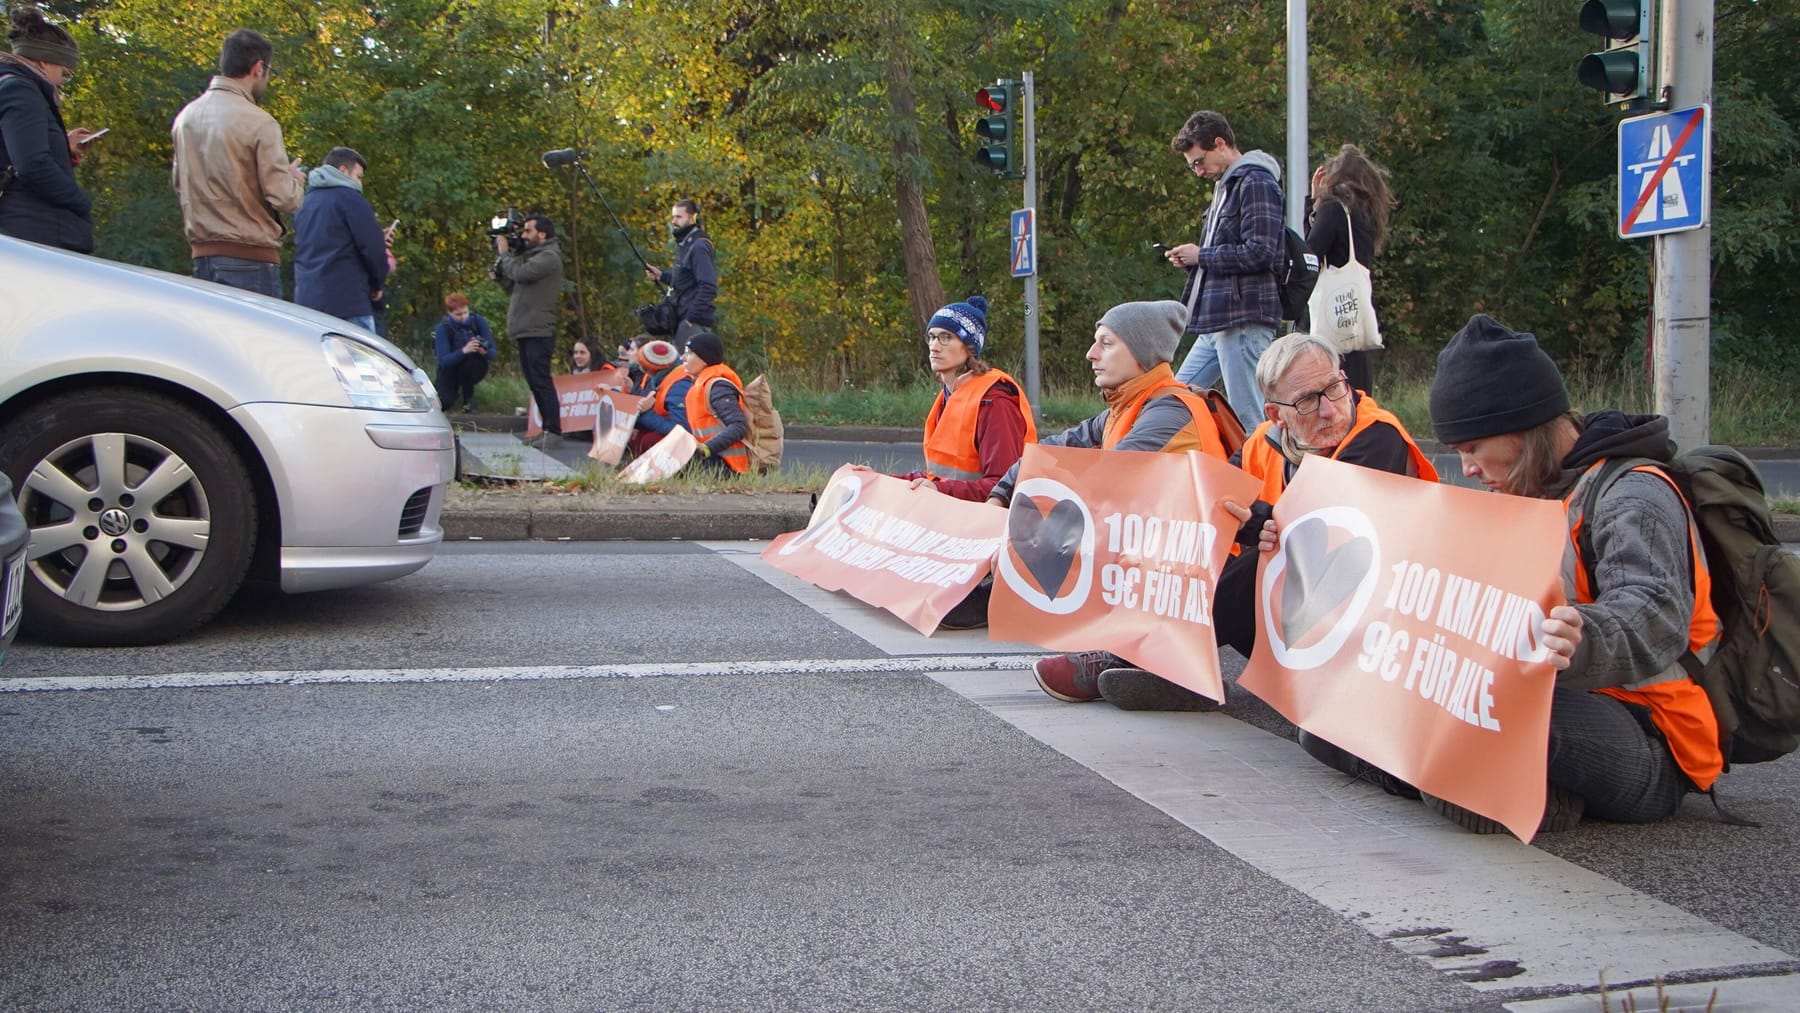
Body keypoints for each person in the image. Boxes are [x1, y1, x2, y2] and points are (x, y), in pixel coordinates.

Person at [984, 301, 1230, 711]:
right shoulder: (1125, 408)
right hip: (1162, 567)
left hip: (1201, 575)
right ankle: (1129, 651)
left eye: (1105, 343)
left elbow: (1102, 481)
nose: (1090, 353)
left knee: (1071, 532)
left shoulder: (1171, 410)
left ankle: (1131, 652)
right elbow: (1051, 451)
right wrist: (1003, 492)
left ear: (1142, 353)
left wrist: (1026, 527)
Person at [1164, 110, 1286, 434]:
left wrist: (1201, 255)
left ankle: (1269, 480)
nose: (1198, 171)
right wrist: (1194, 257)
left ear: (1220, 143)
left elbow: (1261, 251)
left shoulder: (1256, 182)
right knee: (1174, 400)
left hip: (1243, 317)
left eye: (1199, 161)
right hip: (1220, 320)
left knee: (1252, 418)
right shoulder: (1227, 187)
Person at [170, 29, 305, 297]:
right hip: (251, 258)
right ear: (259, 68)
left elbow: (179, 183)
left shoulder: (186, 118)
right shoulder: (259, 122)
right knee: (257, 338)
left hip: (202, 256)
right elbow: (285, 199)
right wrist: (294, 181)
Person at [891, 296, 1037, 503]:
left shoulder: (995, 400)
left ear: (969, 348)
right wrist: (875, 479)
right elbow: (937, 478)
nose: (934, 346)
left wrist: (940, 490)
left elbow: (1004, 486)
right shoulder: (949, 395)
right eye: (931, 337)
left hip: (989, 525)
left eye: (946, 337)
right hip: (959, 519)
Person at [0, 4, 94, 252]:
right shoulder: (21, 90)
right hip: (34, 230)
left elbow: (18, 147)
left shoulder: (14, 87)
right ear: (43, 62)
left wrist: (64, 145)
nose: (63, 85)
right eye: (65, 74)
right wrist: (79, 200)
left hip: (27, 227)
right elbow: (31, 163)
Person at [1305, 144, 1395, 395]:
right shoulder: (1368, 214)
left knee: (1333, 394)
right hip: (1355, 315)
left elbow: (1310, 255)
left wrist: (1313, 203)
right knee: (1358, 396)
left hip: (1332, 321)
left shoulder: (1333, 209)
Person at [292, 147, 388, 331]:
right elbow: (372, 248)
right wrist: (377, 284)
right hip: (348, 300)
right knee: (359, 358)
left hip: (308, 300)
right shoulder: (350, 198)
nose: (360, 184)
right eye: (358, 177)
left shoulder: (305, 201)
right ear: (343, 171)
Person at [491, 213, 564, 447]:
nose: (523, 236)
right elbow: (516, 285)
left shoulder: (549, 256)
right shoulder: (534, 257)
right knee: (534, 380)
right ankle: (546, 430)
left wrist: (504, 254)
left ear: (542, 234)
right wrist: (500, 277)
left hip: (538, 328)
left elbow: (521, 274)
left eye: (528, 231)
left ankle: (553, 430)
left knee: (541, 380)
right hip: (527, 327)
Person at [644, 199, 716, 344]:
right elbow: (686, 281)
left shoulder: (699, 246)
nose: (674, 221)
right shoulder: (686, 243)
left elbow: (708, 286)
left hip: (693, 322)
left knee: (688, 366)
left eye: (678, 217)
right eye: (673, 217)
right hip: (684, 318)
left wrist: (691, 318)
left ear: (692, 218)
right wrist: (661, 275)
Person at [680, 331, 749, 475]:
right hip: (711, 460)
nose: (683, 358)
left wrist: (706, 448)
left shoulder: (717, 387)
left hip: (724, 465)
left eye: (689, 353)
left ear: (704, 359)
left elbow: (738, 426)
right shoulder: (702, 383)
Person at [432, 293, 495, 414]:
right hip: (450, 368)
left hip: (473, 365)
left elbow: (493, 353)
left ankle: (469, 399)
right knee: (444, 402)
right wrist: (464, 350)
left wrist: (484, 352)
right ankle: (452, 396)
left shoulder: (477, 321)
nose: (463, 317)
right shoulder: (442, 329)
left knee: (471, 364)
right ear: (449, 313)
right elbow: (444, 361)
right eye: (458, 314)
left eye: (465, 313)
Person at [627, 338, 688, 457]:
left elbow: (680, 431)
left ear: (648, 369)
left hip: (691, 443)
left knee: (649, 440)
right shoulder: (667, 377)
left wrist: (645, 414)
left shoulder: (679, 386)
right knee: (638, 437)